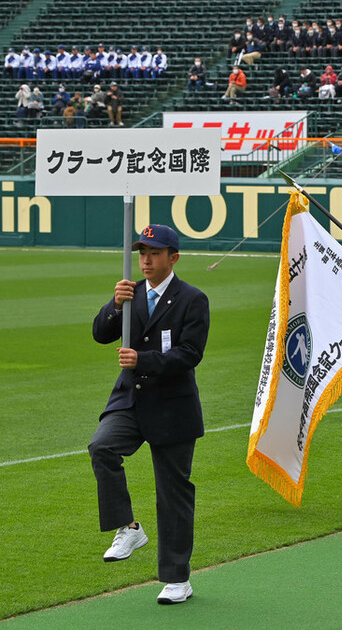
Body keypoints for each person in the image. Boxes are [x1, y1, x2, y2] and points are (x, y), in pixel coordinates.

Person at [89, 224, 209, 605]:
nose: (145, 260)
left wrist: (145, 360)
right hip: (129, 401)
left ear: (173, 258)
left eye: (154, 253)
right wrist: (114, 305)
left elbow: (190, 354)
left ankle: (177, 579)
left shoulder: (193, 298)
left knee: (172, 495)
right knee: (102, 447)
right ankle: (129, 528)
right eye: (142, 252)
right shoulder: (131, 292)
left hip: (173, 407)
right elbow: (100, 333)